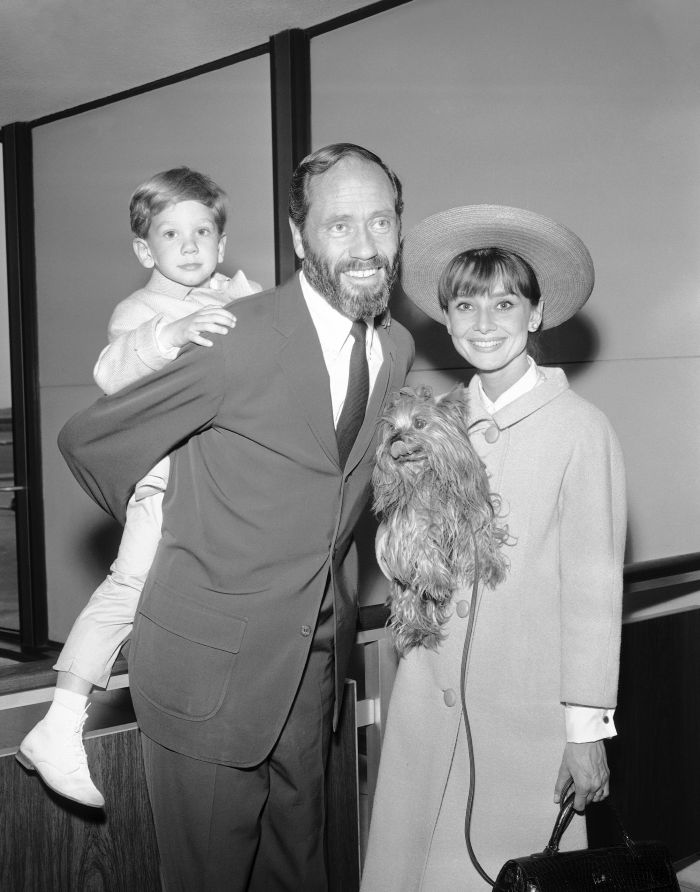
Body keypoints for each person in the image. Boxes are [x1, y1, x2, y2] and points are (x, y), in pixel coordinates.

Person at [57, 143, 414, 891]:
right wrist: (182, 517)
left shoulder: (398, 347)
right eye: (339, 224)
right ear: (296, 236)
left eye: (380, 222)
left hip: (314, 665)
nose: (364, 245)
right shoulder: (231, 334)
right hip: (205, 673)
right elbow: (90, 441)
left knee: (303, 871)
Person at [361, 205, 626, 891]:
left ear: (536, 315)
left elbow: (594, 588)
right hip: (427, 710)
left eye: (505, 302)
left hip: (529, 717)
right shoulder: (430, 424)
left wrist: (587, 730)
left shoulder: (580, 428)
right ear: (446, 319)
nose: (484, 322)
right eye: (467, 304)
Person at [16, 166, 261, 808]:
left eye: (202, 230)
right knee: (129, 588)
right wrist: (169, 334)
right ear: (144, 251)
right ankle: (60, 724)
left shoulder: (248, 297)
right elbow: (110, 368)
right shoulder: (143, 310)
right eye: (170, 233)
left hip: (230, 486)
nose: (189, 245)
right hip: (169, 484)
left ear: (221, 240)